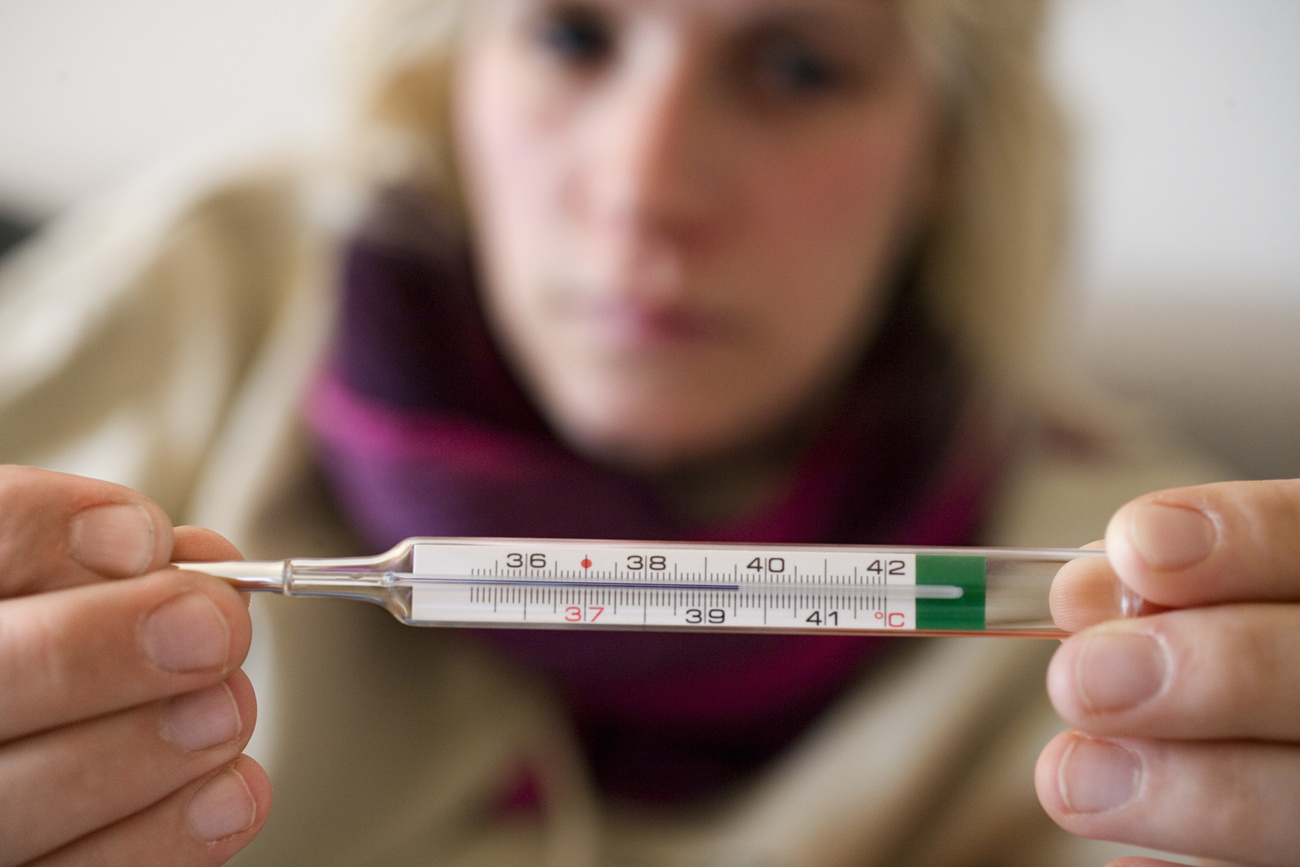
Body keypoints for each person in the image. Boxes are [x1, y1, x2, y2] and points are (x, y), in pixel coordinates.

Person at [0, 0, 1295, 864]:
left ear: (950, 145)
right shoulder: (198, 289)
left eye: (795, 65)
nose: (646, 185)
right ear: (451, 69)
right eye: (572, 34)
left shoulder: (1153, 623)